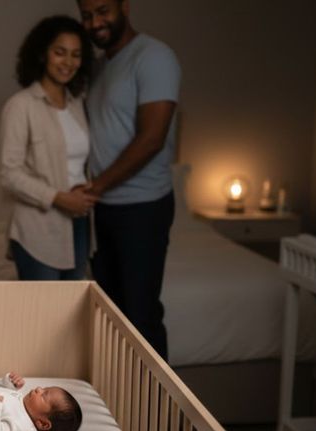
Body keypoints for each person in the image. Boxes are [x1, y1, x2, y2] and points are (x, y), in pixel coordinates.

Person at [76, 0, 181, 359]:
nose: (95, 22)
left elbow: (151, 139)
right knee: (112, 316)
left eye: (103, 11)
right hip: (104, 207)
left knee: (141, 315)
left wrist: (96, 187)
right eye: (87, 15)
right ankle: (116, 394)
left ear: (125, 6)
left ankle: (156, 398)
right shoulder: (98, 66)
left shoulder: (154, 57)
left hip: (143, 207)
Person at [0, 15, 98, 281]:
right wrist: (59, 197)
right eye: (60, 52)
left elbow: (77, 165)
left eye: (76, 55)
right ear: (43, 54)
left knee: (74, 304)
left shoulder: (78, 104)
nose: (68, 62)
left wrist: (84, 189)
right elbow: (9, 173)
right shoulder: (20, 105)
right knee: (43, 306)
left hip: (80, 223)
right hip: (37, 229)